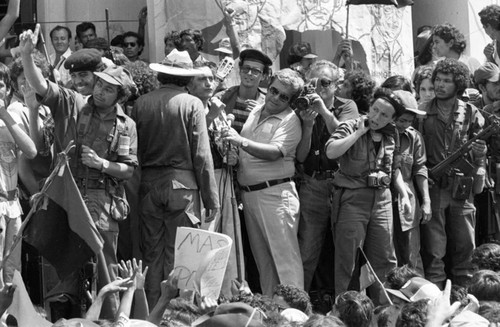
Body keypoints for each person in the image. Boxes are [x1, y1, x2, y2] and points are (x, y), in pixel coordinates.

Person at [19, 25, 138, 318]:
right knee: (62, 269)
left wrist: (102, 163)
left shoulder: (126, 125)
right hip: (66, 199)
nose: (98, 90)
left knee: (105, 268)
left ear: (118, 94)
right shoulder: (72, 102)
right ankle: (65, 322)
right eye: (98, 84)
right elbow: (41, 86)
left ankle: (112, 321)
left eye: (107, 87)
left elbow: (127, 169)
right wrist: (26, 55)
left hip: (102, 202)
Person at [132, 49, 219, 308]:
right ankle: (176, 315)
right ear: (186, 78)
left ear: (160, 75)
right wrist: (211, 197)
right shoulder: (192, 104)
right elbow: (202, 155)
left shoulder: (141, 103)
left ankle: (150, 314)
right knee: (181, 255)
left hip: (148, 184)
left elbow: (134, 152)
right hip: (183, 188)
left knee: (151, 254)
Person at [222, 68, 304, 296]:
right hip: (250, 195)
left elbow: (275, 152)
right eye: (274, 91)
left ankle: (297, 316)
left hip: (275, 195)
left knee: (285, 262)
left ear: (291, 101)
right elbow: (247, 149)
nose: (276, 98)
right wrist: (236, 158)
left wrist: (240, 142)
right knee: (264, 263)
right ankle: (274, 313)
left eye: (284, 96)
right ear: (268, 86)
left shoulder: (290, 120)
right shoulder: (256, 110)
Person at [325, 87, 409, 303]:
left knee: (385, 259)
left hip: (382, 199)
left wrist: (404, 194)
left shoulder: (393, 134)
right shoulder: (351, 125)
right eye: (374, 110)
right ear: (369, 107)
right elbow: (332, 151)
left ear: (393, 119)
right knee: (348, 260)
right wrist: (359, 133)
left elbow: (394, 169)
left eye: (384, 115)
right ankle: (345, 312)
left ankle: (387, 311)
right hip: (353, 199)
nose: (376, 117)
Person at [419, 58, 486, 288]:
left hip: (461, 187)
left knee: (465, 248)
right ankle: (436, 297)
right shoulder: (423, 112)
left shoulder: (471, 112)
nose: (439, 85)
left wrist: (480, 153)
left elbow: (481, 154)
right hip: (433, 186)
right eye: (437, 79)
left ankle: (464, 295)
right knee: (434, 250)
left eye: (446, 81)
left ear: (457, 84)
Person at [295, 60, 358, 292]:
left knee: (347, 252)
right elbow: (300, 157)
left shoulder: (347, 105)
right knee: (307, 251)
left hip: (343, 185)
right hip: (313, 184)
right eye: (314, 81)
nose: (320, 87)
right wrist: (308, 125)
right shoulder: (300, 106)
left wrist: (323, 109)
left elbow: (344, 137)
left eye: (326, 82)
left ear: (336, 85)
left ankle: (347, 305)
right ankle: (299, 305)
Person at [186, 63, 245, 297]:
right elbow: (190, 146)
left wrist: (232, 154)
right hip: (200, 181)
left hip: (224, 176)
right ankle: (203, 295)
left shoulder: (217, 107)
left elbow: (223, 143)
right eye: (202, 79)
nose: (209, 83)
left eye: (211, 78)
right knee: (205, 237)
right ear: (190, 84)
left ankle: (227, 293)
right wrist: (210, 117)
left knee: (227, 236)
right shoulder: (189, 106)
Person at [0, 63, 36, 285]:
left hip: (12, 205)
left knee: (13, 271)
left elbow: (31, 150)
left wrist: (4, 114)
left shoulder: (8, 117)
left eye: (1, 84)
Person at [391, 90, 431, 274]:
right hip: (383, 199)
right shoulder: (379, 134)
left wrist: (426, 201)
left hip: (408, 201)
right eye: (401, 120)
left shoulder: (414, 136)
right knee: (388, 255)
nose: (405, 125)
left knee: (411, 254)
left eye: (409, 121)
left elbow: (420, 168)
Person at [214, 48, 272, 133]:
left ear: (263, 76)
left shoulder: (266, 104)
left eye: (255, 71)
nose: (249, 73)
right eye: (246, 68)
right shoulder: (222, 97)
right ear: (240, 71)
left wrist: (262, 113)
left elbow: (268, 134)